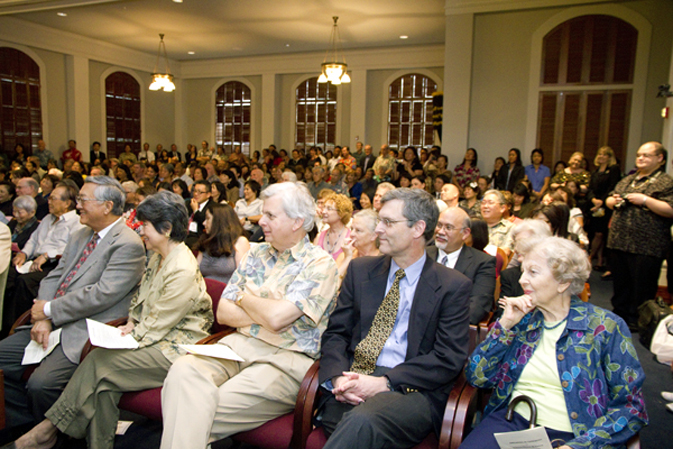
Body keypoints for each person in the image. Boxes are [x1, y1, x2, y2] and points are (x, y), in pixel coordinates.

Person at [8, 190, 213, 449]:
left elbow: (157, 325)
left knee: (99, 362)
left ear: (167, 228)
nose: (140, 231)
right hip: (155, 335)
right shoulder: (158, 256)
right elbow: (142, 302)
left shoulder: (181, 267)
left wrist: (127, 335)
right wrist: (130, 324)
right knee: (104, 386)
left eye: (145, 226)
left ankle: (47, 430)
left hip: (177, 348)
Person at [160, 182, 339, 449]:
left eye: (270, 216)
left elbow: (277, 319)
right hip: (237, 345)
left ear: (297, 222)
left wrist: (243, 298)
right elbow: (224, 311)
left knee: (189, 408)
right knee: (182, 372)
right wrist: (266, 310)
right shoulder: (255, 253)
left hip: (285, 360)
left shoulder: (320, 264)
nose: (260, 222)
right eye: (263, 214)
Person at [318, 188, 471, 449]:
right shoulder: (361, 269)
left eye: (388, 222)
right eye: (379, 220)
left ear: (418, 228)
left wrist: (385, 383)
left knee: (361, 423)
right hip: (355, 377)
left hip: (412, 387)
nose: (378, 229)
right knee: (349, 423)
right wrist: (337, 379)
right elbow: (336, 334)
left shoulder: (451, 285)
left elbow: (448, 358)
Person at [461, 237, 647, 449]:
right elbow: (477, 377)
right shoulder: (523, 320)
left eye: (533, 272)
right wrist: (505, 326)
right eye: (523, 271)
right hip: (511, 423)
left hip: (577, 433)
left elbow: (632, 407)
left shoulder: (605, 327)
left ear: (563, 282)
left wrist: (579, 446)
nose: (521, 280)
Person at [0, 176, 146, 432]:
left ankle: (54, 436)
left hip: (85, 329)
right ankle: (27, 425)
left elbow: (100, 295)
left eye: (83, 200)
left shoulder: (127, 244)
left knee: (40, 385)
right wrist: (44, 315)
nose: (77, 206)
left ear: (107, 206)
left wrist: (48, 310)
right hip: (53, 321)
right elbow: (55, 275)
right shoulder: (81, 234)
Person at [606, 141, 673, 328]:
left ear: (660, 158)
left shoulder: (665, 181)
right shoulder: (628, 179)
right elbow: (609, 200)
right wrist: (615, 200)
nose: (640, 158)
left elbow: (670, 209)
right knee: (620, 283)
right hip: (620, 241)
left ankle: (639, 320)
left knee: (642, 286)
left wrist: (644, 200)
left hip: (647, 244)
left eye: (646, 155)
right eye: (638, 155)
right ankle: (619, 315)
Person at [3, 183, 84, 331]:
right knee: (7, 275)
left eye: (53, 198)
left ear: (67, 203)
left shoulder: (77, 223)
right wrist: (23, 253)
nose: (49, 201)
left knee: (24, 282)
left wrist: (47, 255)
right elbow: (33, 240)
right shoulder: (47, 218)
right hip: (32, 260)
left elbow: (71, 247)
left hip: (53, 264)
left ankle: (13, 327)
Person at [427, 206, 496, 324]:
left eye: (448, 227)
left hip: (453, 330)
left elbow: (477, 308)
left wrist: (438, 324)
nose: (440, 231)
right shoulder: (421, 254)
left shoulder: (482, 262)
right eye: (439, 225)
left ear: (465, 233)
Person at [195, 202, 250, 284]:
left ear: (218, 221)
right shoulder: (206, 240)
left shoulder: (240, 242)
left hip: (228, 294)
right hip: (204, 293)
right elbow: (195, 272)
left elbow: (242, 279)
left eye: (207, 219)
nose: (203, 223)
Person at [587, 146, 622, 272]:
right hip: (594, 206)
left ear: (609, 157)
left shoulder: (613, 169)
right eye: (600, 154)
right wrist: (593, 200)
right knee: (597, 233)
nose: (601, 156)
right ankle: (600, 259)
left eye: (604, 154)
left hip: (606, 206)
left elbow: (613, 187)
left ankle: (590, 257)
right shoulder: (596, 172)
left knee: (600, 233)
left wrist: (602, 201)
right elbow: (590, 188)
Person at [498, 219, 552, 299]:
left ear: (541, 242)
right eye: (515, 244)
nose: (516, 249)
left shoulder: (555, 273)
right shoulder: (510, 276)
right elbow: (502, 309)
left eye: (522, 243)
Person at [337, 209, 381, 278]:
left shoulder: (383, 260)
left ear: (374, 235)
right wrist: (347, 258)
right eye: (352, 229)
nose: (351, 234)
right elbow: (333, 285)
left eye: (358, 230)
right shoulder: (344, 257)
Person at [315, 193, 353, 262]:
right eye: (324, 207)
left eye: (329, 209)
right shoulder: (319, 237)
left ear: (341, 214)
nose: (323, 211)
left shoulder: (350, 238)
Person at [480, 189, 515, 257]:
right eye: (483, 202)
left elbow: (506, 251)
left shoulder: (511, 228)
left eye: (490, 203)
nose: (485, 206)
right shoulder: (474, 225)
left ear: (502, 208)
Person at [186, 180, 212, 247]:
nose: (196, 194)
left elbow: (205, 222)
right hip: (186, 235)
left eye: (200, 192)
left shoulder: (212, 207)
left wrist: (196, 211)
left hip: (200, 239)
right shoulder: (188, 204)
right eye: (195, 191)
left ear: (208, 194)